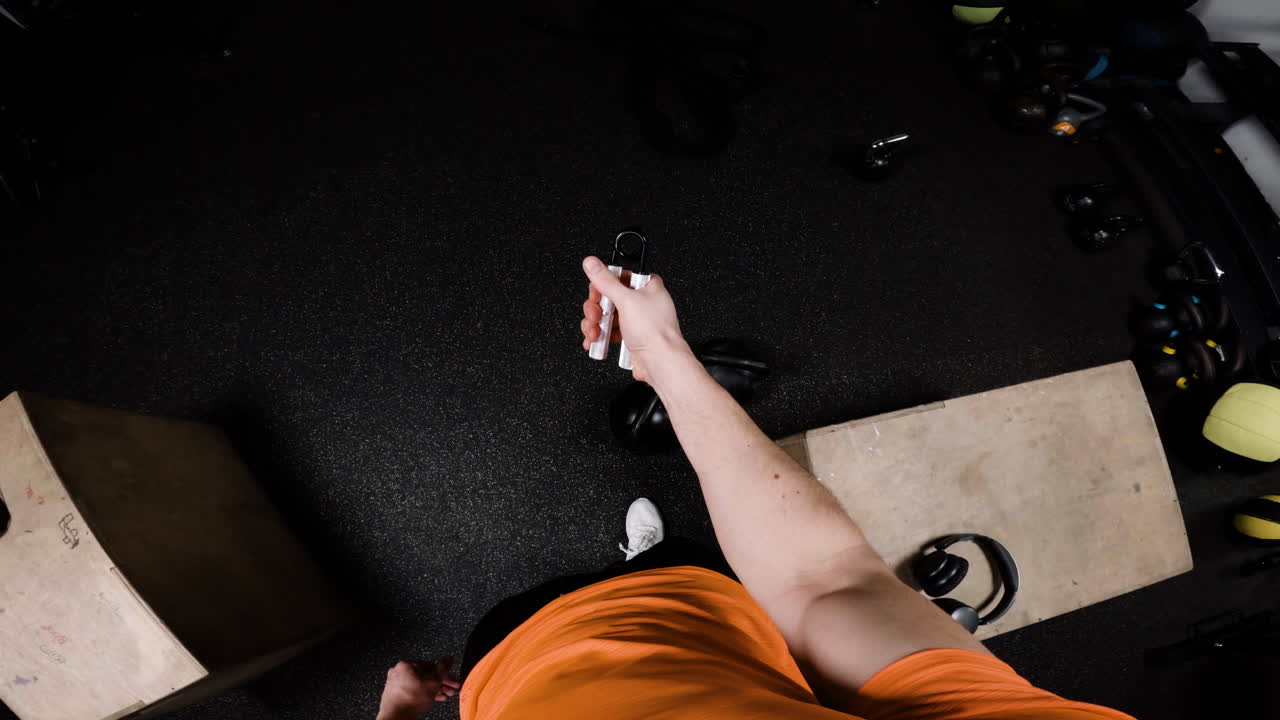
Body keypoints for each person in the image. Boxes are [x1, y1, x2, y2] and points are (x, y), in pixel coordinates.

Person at [374, 256, 1135, 720]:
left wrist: (397, 708)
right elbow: (819, 583)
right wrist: (667, 362)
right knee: (681, 561)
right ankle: (643, 560)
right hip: (691, 612)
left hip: (515, 660)